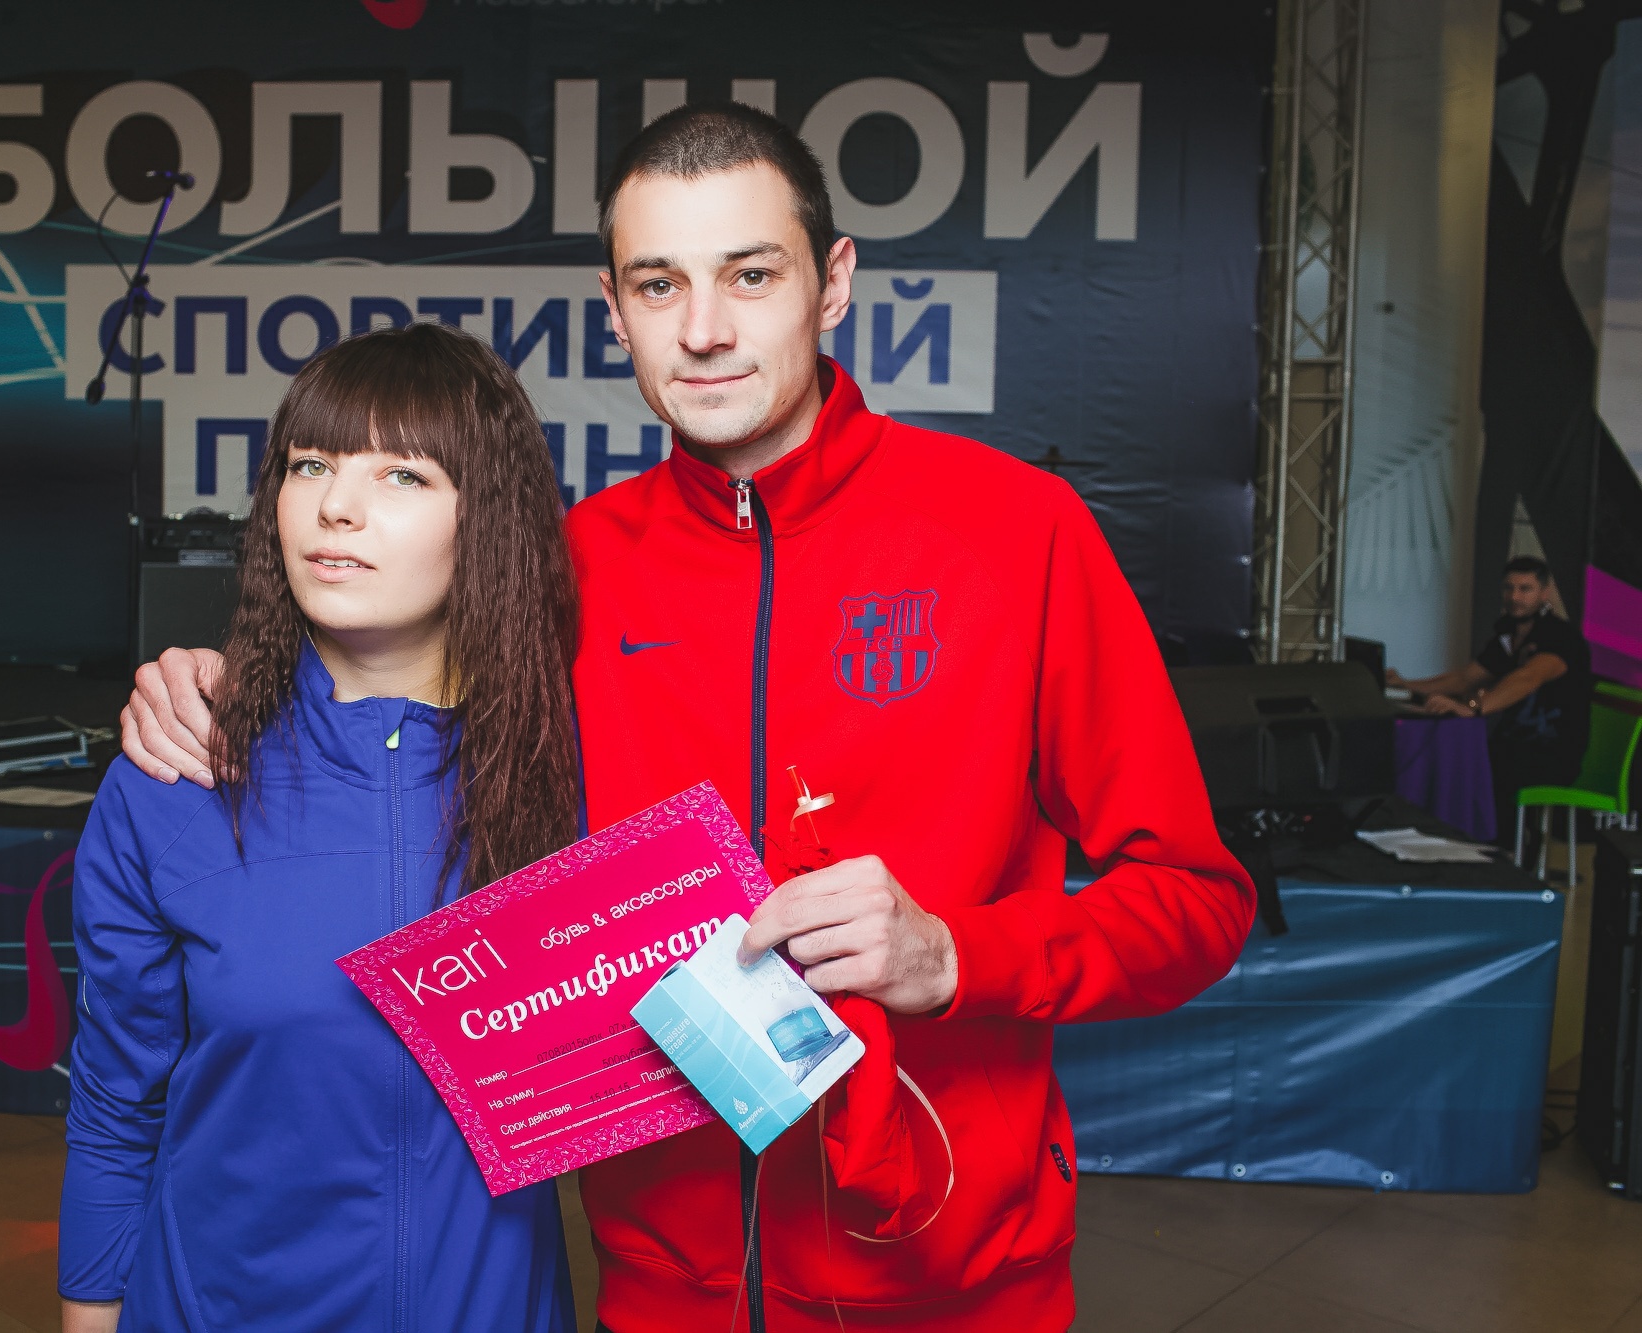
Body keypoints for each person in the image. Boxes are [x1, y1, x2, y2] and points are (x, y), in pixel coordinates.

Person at [121, 104, 1254, 1332]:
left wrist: (953, 958)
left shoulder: (1014, 533)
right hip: (662, 1290)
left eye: (749, 276)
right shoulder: (567, 567)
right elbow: (376, 685)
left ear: (831, 283)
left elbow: (1195, 901)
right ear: (613, 310)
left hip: (948, 1285)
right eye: (659, 284)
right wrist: (212, 680)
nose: (703, 329)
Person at [60, 324, 579, 1332]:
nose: (336, 504)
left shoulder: (568, 776)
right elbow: (115, 1106)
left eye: (402, 475)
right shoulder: (175, 776)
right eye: (310, 464)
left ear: (488, 518)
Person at [1388, 555, 1593, 852]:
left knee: (1484, 769)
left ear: (1544, 593)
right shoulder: (1508, 636)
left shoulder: (1561, 638)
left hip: (1553, 753)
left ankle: (1503, 852)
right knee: (1458, 760)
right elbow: (1465, 678)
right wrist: (1405, 685)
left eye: (1525, 589)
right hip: (1513, 745)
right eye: (1509, 588)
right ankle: (1446, 845)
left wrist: (1472, 708)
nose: (1515, 597)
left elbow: (1528, 678)